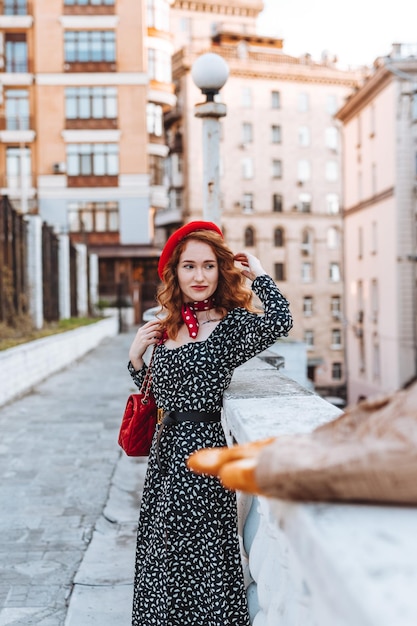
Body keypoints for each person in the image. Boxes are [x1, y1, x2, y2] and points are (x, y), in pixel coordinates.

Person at [127, 220, 293, 626]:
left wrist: (260, 274)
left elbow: (281, 321)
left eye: (208, 266)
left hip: (204, 454)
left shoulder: (231, 324)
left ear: (221, 270)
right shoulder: (168, 324)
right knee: (162, 558)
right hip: (166, 460)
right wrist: (135, 358)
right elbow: (160, 390)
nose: (198, 276)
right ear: (175, 272)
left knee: (207, 562)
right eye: (189, 266)